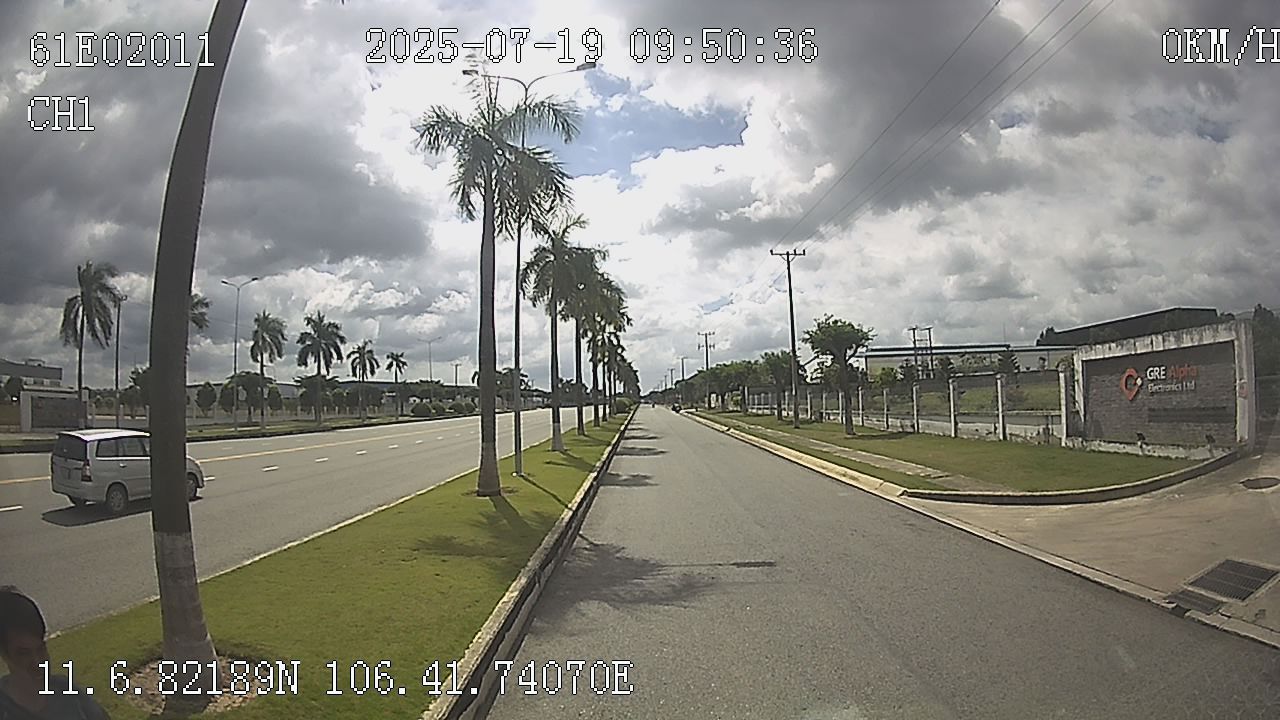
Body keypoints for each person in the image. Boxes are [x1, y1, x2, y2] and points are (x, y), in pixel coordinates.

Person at [0, 587, 109, 719]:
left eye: (41, 649)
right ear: (4, 654)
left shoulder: (67, 690)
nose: (38, 662)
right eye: (24, 653)